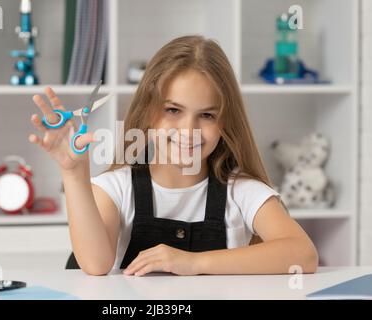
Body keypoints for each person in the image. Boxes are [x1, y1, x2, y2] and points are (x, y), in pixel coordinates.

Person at [29, 35, 318, 276]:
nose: (188, 129)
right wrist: (73, 173)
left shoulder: (241, 192)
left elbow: (303, 255)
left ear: (225, 124)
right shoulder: (115, 188)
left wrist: (193, 262)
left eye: (206, 115)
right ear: (149, 113)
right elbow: (95, 264)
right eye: (173, 110)